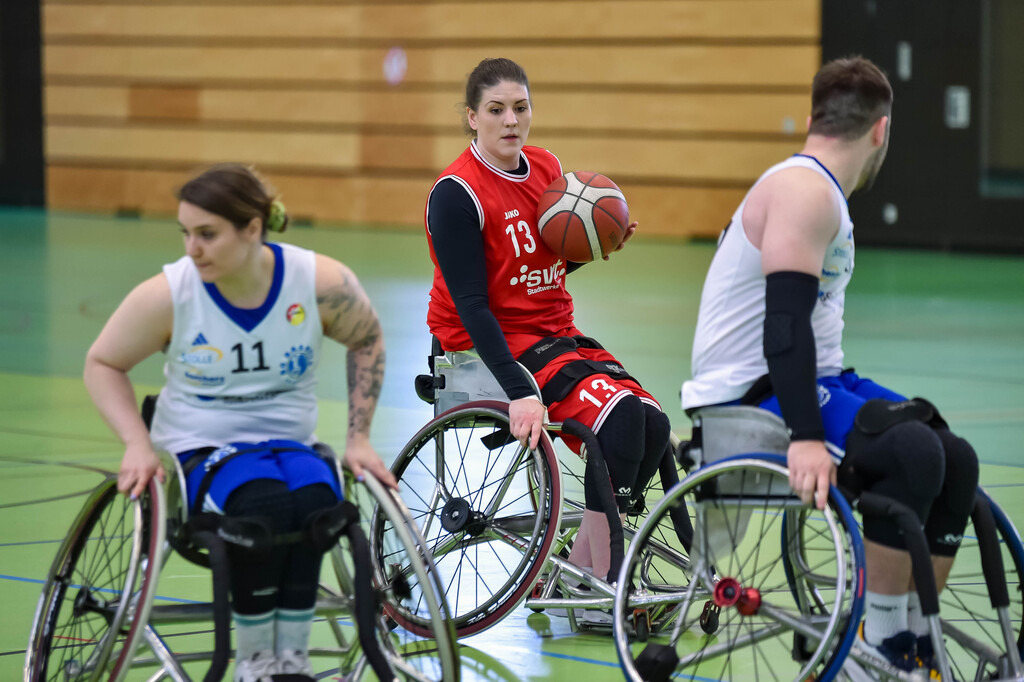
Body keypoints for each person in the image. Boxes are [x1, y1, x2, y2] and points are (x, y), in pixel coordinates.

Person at [681, 56, 979, 674]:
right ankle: (875, 642)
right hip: (752, 392)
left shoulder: (816, 190)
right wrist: (808, 438)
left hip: (809, 377)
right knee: (911, 455)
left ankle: (913, 636)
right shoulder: (803, 191)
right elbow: (783, 329)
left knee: (954, 456)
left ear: (817, 116)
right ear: (881, 131)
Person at [83, 163, 397, 682]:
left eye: (207, 234)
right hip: (202, 445)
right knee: (263, 507)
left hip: (291, 443)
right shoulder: (170, 294)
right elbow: (102, 363)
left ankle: (289, 661)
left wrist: (358, 438)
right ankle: (255, 662)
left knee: (320, 505)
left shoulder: (319, 281)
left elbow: (367, 338)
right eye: (185, 233)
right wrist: (136, 443)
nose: (192, 248)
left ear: (252, 228)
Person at [424, 57, 672, 589]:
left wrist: (598, 243)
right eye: (496, 110)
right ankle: (595, 576)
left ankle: (584, 567)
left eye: (520, 107)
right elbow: (472, 303)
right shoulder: (455, 194)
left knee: (651, 423)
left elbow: (542, 266)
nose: (510, 120)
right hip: (482, 341)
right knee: (619, 425)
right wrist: (520, 392)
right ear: (472, 117)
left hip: (552, 330)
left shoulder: (545, 168)